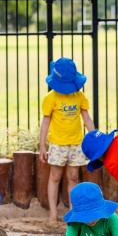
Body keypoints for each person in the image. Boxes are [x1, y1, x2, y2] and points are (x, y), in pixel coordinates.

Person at [39, 57, 95, 223]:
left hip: (76, 143)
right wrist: (42, 144)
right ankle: (53, 213)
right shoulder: (51, 98)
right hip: (57, 144)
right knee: (55, 177)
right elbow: (46, 121)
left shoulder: (79, 97)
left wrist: (94, 138)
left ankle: (73, 212)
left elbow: (87, 119)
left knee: (73, 178)